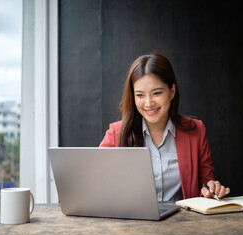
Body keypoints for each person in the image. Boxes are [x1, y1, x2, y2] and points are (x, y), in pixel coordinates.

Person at [99, 53, 230, 201]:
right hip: (132, 222)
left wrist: (211, 189)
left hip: (183, 222)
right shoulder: (116, 133)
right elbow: (97, 182)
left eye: (157, 93)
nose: (148, 103)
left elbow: (206, 183)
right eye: (140, 95)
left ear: (172, 92)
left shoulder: (196, 131)